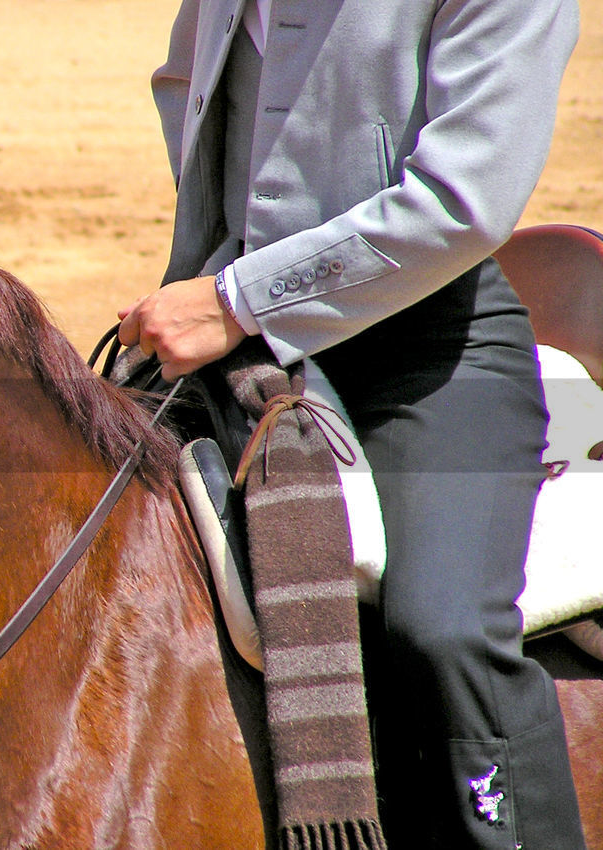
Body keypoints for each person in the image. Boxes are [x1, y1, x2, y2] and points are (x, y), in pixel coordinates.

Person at [116, 1, 586, 847]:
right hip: (248, 340)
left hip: (433, 354)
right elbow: (185, 84)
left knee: (443, 630)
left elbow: (464, 202)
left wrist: (242, 298)